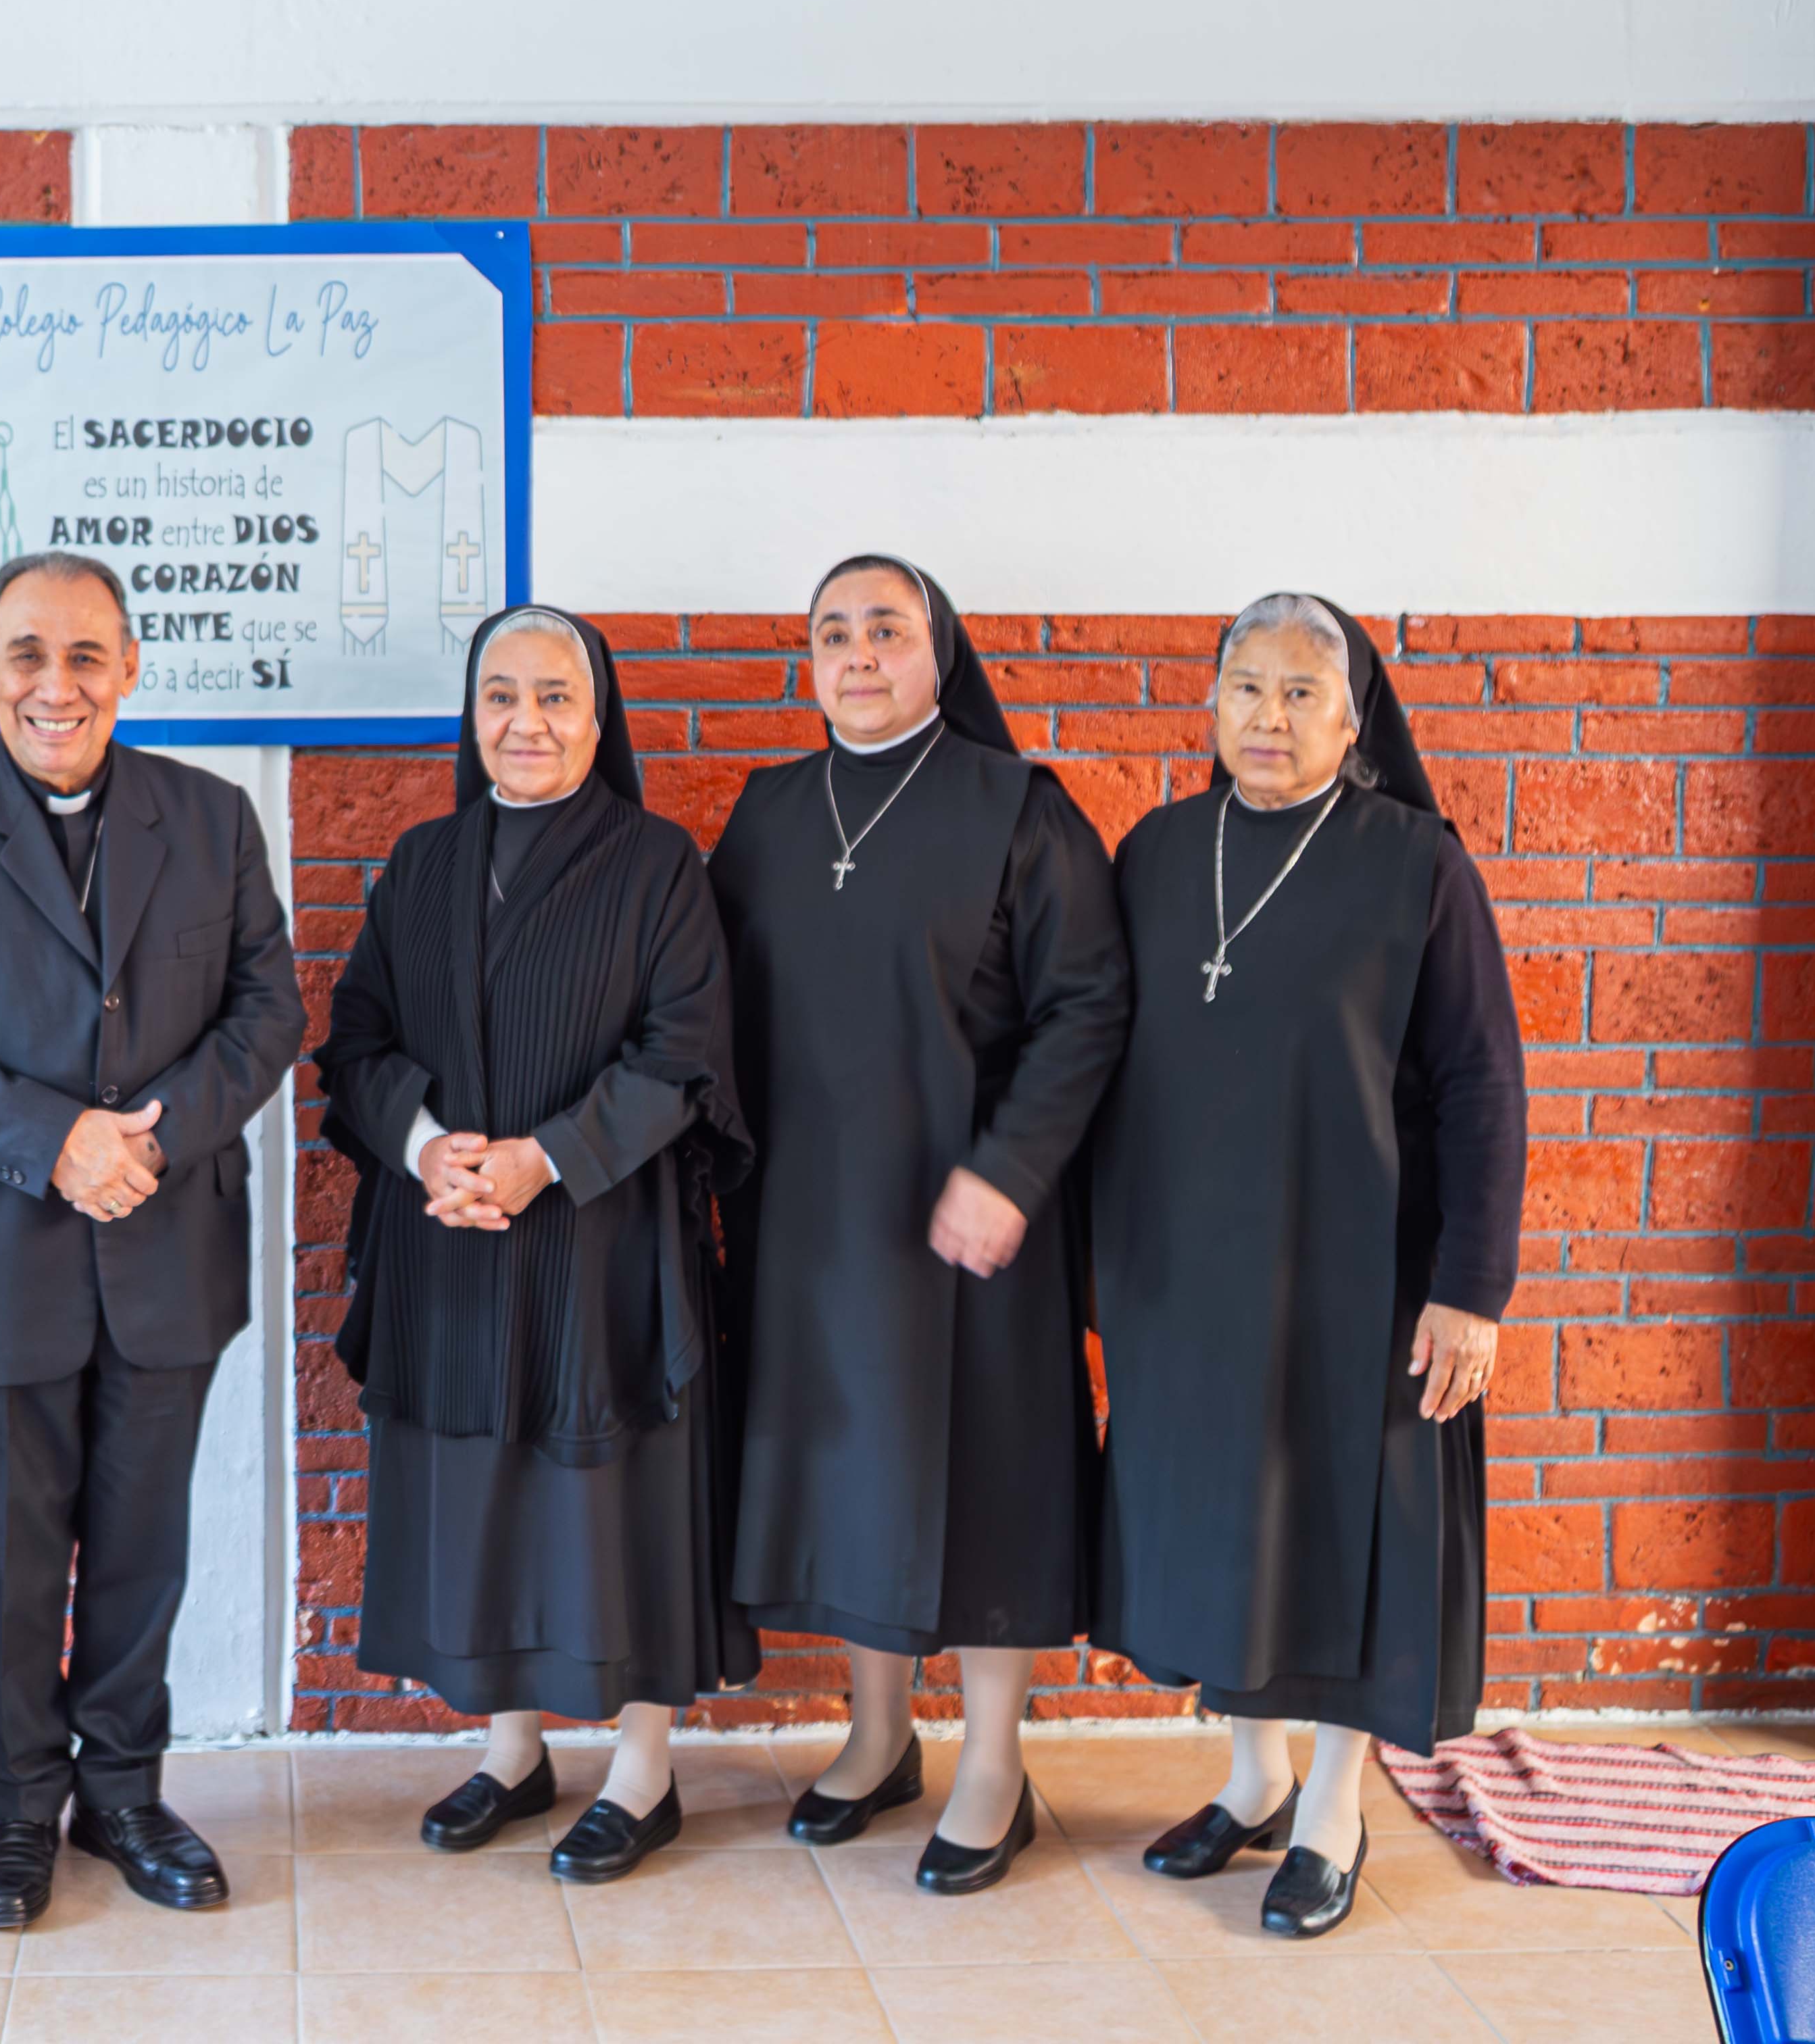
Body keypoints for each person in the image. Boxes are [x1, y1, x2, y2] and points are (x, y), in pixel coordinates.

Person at [0, 551, 305, 1930]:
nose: (58, 683)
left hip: (167, 1240)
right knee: (9, 1553)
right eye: (28, 653)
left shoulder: (212, 822)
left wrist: (144, 1134)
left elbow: (268, 1011)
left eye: (87, 655)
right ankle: (21, 1807)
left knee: (145, 1547)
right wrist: (57, 1137)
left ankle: (126, 1795)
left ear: (130, 667)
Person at [1093, 593, 1525, 1939]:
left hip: (1367, 1273)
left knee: (1346, 1537)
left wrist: (1475, 1283)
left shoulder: (1416, 865)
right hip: (1194, 1273)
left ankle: (1336, 1808)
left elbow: (1483, 1081)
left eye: (1299, 694)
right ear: (1211, 704)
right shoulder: (1160, 851)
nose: (1268, 719)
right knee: (1232, 1533)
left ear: (1353, 717)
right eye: (1246, 689)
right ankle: (1254, 1778)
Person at [708, 555, 1131, 1895]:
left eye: (885, 629)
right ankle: (879, 1730)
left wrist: (1009, 1169)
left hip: (975, 1223)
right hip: (813, 1222)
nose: (857, 654)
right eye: (831, 631)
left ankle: (994, 1758)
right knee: (852, 1475)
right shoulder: (769, 812)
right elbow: (710, 1006)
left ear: (938, 652)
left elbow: (1089, 1005)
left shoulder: (1019, 808)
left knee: (988, 1483)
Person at [314, 605, 756, 1886]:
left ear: (599, 715)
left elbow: (682, 1052)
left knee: (620, 1492)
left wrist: (540, 1158)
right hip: (449, 1232)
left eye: (556, 698)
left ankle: (643, 1770)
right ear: (473, 714)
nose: (527, 723)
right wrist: (427, 1148)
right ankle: (513, 1752)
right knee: (485, 1490)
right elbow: (357, 1039)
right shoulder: (422, 864)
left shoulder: (657, 862)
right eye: (501, 696)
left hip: (605, 1230)